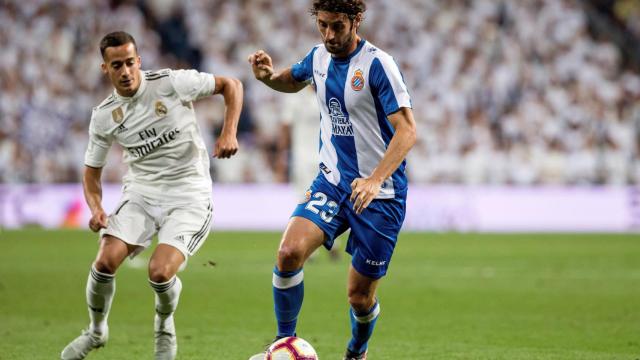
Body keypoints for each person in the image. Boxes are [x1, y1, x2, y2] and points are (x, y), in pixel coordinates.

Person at [247, 1, 416, 359]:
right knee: (289, 253)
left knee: (359, 297)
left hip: (380, 195)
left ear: (356, 21)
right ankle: (284, 344)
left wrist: (374, 179)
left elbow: (407, 132)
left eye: (337, 26)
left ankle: (357, 350)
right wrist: (267, 77)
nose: (328, 35)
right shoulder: (318, 57)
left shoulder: (377, 65)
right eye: (322, 25)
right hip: (333, 182)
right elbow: (291, 80)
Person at [60, 31, 243, 360]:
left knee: (159, 271)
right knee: (104, 261)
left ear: (139, 61)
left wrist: (229, 132)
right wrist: (97, 208)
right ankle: (96, 331)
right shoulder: (104, 115)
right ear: (106, 69)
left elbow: (232, 85)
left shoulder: (171, 83)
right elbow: (91, 173)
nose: (126, 71)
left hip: (189, 192)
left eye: (130, 63)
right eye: (117, 65)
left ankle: (164, 325)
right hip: (143, 193)